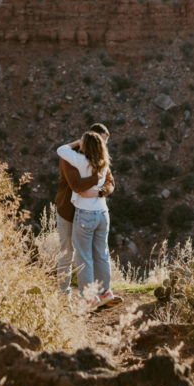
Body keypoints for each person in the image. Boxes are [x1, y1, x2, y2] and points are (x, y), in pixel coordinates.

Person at [57, 128, 121, 309]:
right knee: (102, 254)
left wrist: (77, 142)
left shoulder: (79, 161)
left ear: (85, 146)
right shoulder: (104, 164)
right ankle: (105, 292)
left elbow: (61, 150)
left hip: (84, 215)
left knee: (84, 257)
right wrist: (96, 180)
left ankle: (90, 297)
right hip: (103, 214)